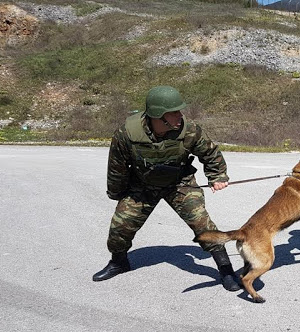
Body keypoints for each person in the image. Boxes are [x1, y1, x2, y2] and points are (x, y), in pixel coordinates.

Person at [92, 85, 240, 292]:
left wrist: (217, 176)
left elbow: (210, 153)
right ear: (157, 116)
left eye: (179, 110)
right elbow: (116, 165)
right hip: (142, 186)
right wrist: (116, 192)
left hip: (179, 184)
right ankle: (119, 262)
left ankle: (226, 269)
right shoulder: (126, 133)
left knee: (203, 225)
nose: (180, 115)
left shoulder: (189, 129)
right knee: (120, 226)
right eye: (174, 112)